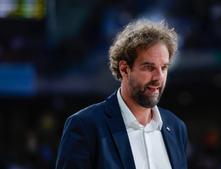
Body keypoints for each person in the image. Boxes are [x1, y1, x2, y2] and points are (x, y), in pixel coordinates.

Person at [55, 19, 188, 169]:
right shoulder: (85, 126)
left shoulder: (176, 127)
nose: (158, 77)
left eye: (163, 68)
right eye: (149, 67)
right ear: (124, 69)